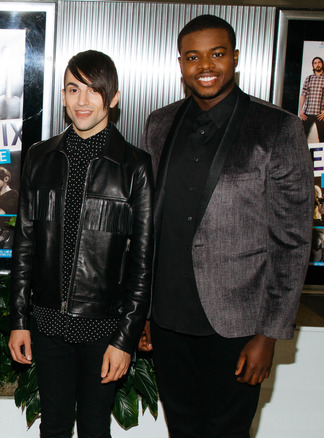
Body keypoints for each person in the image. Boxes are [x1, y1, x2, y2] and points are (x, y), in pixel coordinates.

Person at [138, 15, 311, 437]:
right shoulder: (159, 124)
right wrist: (144, 312)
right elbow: (149, 228)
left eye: (216, 54)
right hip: (169, 321)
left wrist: (268, 335)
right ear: (180, 64)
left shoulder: (277, 128)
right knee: (181, 430)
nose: (205, 66)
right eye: (192, 57)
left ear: (234, 57)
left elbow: (292, 242)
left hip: (237, 326)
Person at [8, 50, 153, 438]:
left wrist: (125, 339)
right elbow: (24, 245)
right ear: (63, 96)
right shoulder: (39, 157)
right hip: (48, 323)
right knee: (53, 426)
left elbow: (142, 263)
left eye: (94, 90)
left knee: (94, 428)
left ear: (114, 98)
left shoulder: (135, 166)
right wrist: (19, 321)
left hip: (104, 328)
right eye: (74, 89)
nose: (82, 100)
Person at [299, 56, 324, 142]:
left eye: (319, 62)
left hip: (320, 115)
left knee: (322, 139)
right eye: (315, 63)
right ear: (313, 65)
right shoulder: (309, 78)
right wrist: (300, 110)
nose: (317, 64)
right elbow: (303, 95)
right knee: (301, 138)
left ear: (322, 64)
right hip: (307, 113)